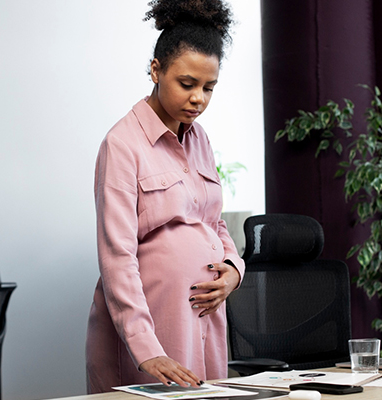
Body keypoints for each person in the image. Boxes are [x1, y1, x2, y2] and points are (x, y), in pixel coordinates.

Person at [85, 0, 245, 393]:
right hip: (155, 326)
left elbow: (213, 222)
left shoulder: (200, 139)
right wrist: (145, 346)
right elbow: (116, 255)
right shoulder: (122, 144)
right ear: (156, 70)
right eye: (187, 84)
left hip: (204, 320)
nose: (199, 99)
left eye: (209, 88)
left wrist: (233, 269)